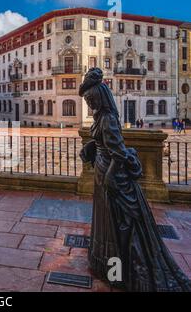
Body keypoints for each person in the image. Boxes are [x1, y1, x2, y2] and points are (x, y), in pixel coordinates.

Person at [79, 67, 191, 292]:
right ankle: (110, 269)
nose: (89, 105)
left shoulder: (108, 119)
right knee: (108, 222)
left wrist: (110, 176)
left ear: (99, 98)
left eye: (91, 100)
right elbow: (106, 143)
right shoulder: (103, 117)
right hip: (104, 171)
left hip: (112, 177)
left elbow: (118, 152)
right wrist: (93, 146)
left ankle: (115, 273)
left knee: (114, 226)